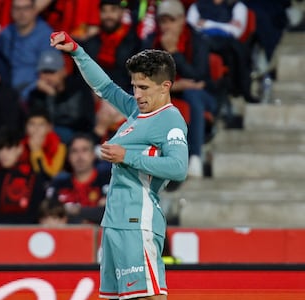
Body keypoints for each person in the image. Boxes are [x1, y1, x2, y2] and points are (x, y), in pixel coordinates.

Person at [50, 29, 191, 300]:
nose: (137, 93)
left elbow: (178, 168)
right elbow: (103, 86)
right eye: (135, 86)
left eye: (144, 87)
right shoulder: (137, 113)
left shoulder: (170, 120)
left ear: (165, 87)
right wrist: (76, 51)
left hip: (138, 223)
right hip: (114, 226)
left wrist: (126, 156)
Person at [154, 0, 218, 177]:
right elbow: (144, 76)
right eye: (162, 21)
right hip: (169, 93)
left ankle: (195, 157)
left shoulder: (198, 40)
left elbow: (198, 76)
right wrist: (173, 86)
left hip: (204, 95)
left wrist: (174, 53)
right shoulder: (152, 41)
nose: (166, 26)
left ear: (182, 19)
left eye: (171, 21)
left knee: (193, 94)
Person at [82, 0, 141, 142]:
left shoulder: (134, 43)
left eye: (113, 10)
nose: (108, 15)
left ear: (121, 12)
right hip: (94, 97)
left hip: (123, 96)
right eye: (105, 11)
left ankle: (99, 142)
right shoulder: (91, 43)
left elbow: (137, 76)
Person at [187, 0, 259, 102]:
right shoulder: (197, 6)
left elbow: (235, 31)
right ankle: (200, 82)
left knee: (238, 50)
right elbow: (192, 26)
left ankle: (242, 90)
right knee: (201, 43)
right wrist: (224, 27)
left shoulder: (237, 6)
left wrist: (207, 24)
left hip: (227, 44)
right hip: (202, 42)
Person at [0, 0, 57, 103]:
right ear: (12, 11)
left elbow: (50, 72)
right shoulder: (6, 34)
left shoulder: (46, 35)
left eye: (26, 8)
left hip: (34, 95)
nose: (21, 13)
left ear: (34, 10)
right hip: (7, 92)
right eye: (17, 9)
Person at [27, 49, 95, 144]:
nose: (47, 77)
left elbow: (85, 121)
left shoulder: (78, 89)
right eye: (44, 72)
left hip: (78, 137)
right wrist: (50, 96)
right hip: (47, 139)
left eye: (52, 72)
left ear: (63, 71)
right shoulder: (36, 95)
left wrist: (53, 96)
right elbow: (43, 123)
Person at [46, 132, 110, 225]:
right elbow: (49, 215)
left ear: (93, 154)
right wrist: (92, 213)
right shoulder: (58, 183)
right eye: (74, 151)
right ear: (69, 157)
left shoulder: (108, 181)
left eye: (84, 150)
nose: (79, 156)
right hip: (67, 237)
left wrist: (77, 211)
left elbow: (112, 213)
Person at [22, 109, 66, 179]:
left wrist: (36, 151)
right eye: (32, 124)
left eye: (41, 125)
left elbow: (51, 174)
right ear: (26, 128)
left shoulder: (59, 146)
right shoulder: (20, 146)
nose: (36, 129)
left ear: (49, 128)